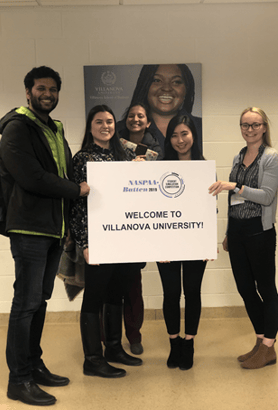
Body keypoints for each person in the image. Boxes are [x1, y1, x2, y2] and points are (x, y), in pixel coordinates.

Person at [0, 66, 90, 406]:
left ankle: (33, 365)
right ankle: (17, 380)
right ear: (27, 91)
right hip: (29, 229)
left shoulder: (53, 129)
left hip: (52, 229)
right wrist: (75, 190)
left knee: (39, 302)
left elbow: (59, 170)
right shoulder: (17, 130)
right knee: (25, 304)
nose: (47, 93)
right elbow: (32, 177)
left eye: (52, 89)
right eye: (40, 88)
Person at [70, 105, 143, 379]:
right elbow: (78, 206)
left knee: (117, 295)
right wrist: (85, 244)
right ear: (90, 127)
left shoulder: (124, 156)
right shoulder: (82, 159)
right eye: (99, 121)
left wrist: (139, 171)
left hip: (123, 241)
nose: (105, 126)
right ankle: (92, 360)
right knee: (94, 299)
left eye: (110, 121)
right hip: (99, 241)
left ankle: (113, 348)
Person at [209, 107, 278, 369]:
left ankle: (269, 347)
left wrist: (235, 186)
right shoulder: (239, 156)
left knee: (266, 289)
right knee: (245, 289)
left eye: (255, 125)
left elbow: (266, 196)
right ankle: (261, 341)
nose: (249, 130)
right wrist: (229, 232)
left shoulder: (272, 157)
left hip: (259, 231)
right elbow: (233, 201)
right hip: (239, 231)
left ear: (264, 127)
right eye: (245, 125)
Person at [157, 114, 207, 371]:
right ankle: (174, 342)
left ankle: (189, 343)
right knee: (171, 293)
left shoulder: (204, 168)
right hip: (165, 244)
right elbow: (150, 208)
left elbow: (210, 211)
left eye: (184, 134)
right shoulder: (159, 168)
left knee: (192, 292)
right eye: (174, 135)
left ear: (193, 136)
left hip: (195, 242)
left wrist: (207, 243)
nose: (179, 140)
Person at [117, 103, 162, 355]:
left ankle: (134, 336)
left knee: (134, 284)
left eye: (141, 116)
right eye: (131, 115)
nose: (136, 119)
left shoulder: (155, 150)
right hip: (113, 224)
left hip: (138, 225)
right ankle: (107, 337)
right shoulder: (113, 146)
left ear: (148, 122)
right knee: (110, 286)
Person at [129, 64, 202, 155]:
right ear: (145, 86)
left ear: (186, 89)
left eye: (176, 82)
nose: (166, 88)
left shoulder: (202, 127)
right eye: (157, 80)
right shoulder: (121, 130)